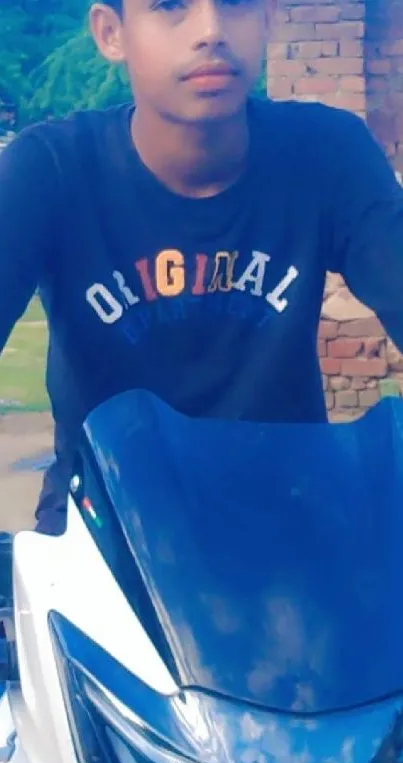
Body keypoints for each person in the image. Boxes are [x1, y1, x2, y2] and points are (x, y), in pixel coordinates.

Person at [1, 0, 403, 536]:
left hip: (294, 530)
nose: (211, 30)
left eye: (236, 4)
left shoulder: (327, 152)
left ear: (268, 20)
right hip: (105, 537)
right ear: (111, 33)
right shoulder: (51, 169)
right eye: (171, 5)